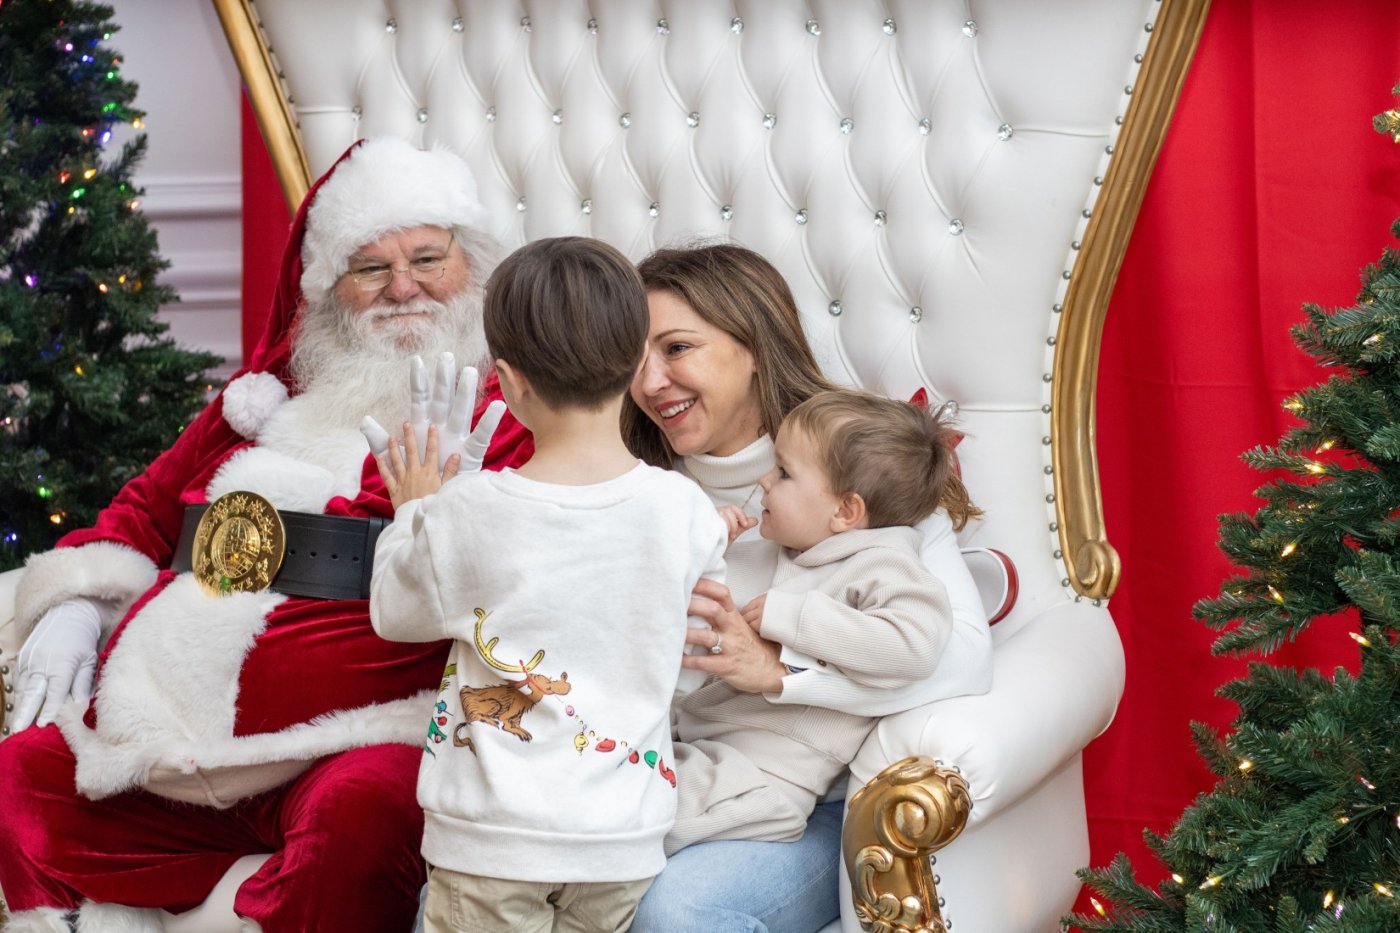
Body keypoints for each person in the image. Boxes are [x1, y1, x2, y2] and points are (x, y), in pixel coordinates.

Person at [0, 137, 530, 932]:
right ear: (325, 290)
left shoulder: (503, 413)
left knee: (364, 809)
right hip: (171, 754)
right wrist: (74, 603)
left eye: (428, 258)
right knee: (19, 779)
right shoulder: (259, 403)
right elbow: (142, 513)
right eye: (369, 267)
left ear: (474, 264)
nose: (402, 288)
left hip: (354, 746)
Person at [623, 243, 993, 933]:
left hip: (817, 794)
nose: (650, 382)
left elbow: (959, 659)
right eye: (633, 358)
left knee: (674, 909)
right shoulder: (635, 487)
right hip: (678, 759)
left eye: (676, 347)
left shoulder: (860, 466)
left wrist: (783, 673)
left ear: (754, 345)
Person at [369, 236, 729, 933]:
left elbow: (393, 609)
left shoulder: (470, 509)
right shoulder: (685, 511)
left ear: (508, 380)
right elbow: (690, 660)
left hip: (491, 842)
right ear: (633, 362)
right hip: (621, 840)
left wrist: (415, 506)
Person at [670, 388, 962, 855]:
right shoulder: (763, 546)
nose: (765, 480)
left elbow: (914, 643)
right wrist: (702, 549)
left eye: (784, 472)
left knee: (639, 818)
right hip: (693, 744)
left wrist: (796, 616)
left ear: (845, 511)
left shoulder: (882, 565)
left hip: (765, 776)